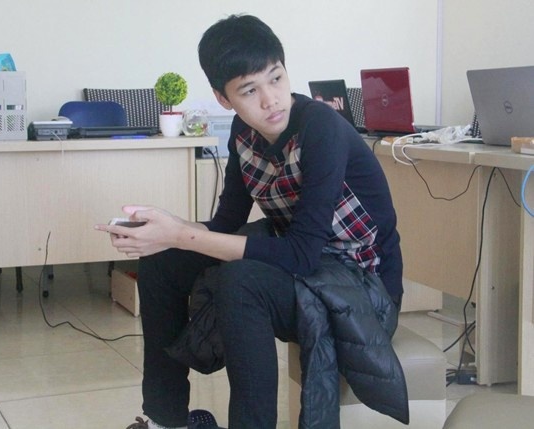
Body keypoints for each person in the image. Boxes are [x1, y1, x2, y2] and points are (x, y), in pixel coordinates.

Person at [96, 14, 404, 429]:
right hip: (307, 272)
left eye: (276, 79)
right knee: (162, 260)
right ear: (223, 99)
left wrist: (183, 234)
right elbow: (227, 222)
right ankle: (165, 420)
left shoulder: (321, 128)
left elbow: (301, 254)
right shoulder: (243, 132)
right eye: (249, 90)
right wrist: (167, 230)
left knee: (240, 281)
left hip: (363, 287)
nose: (270, 100)